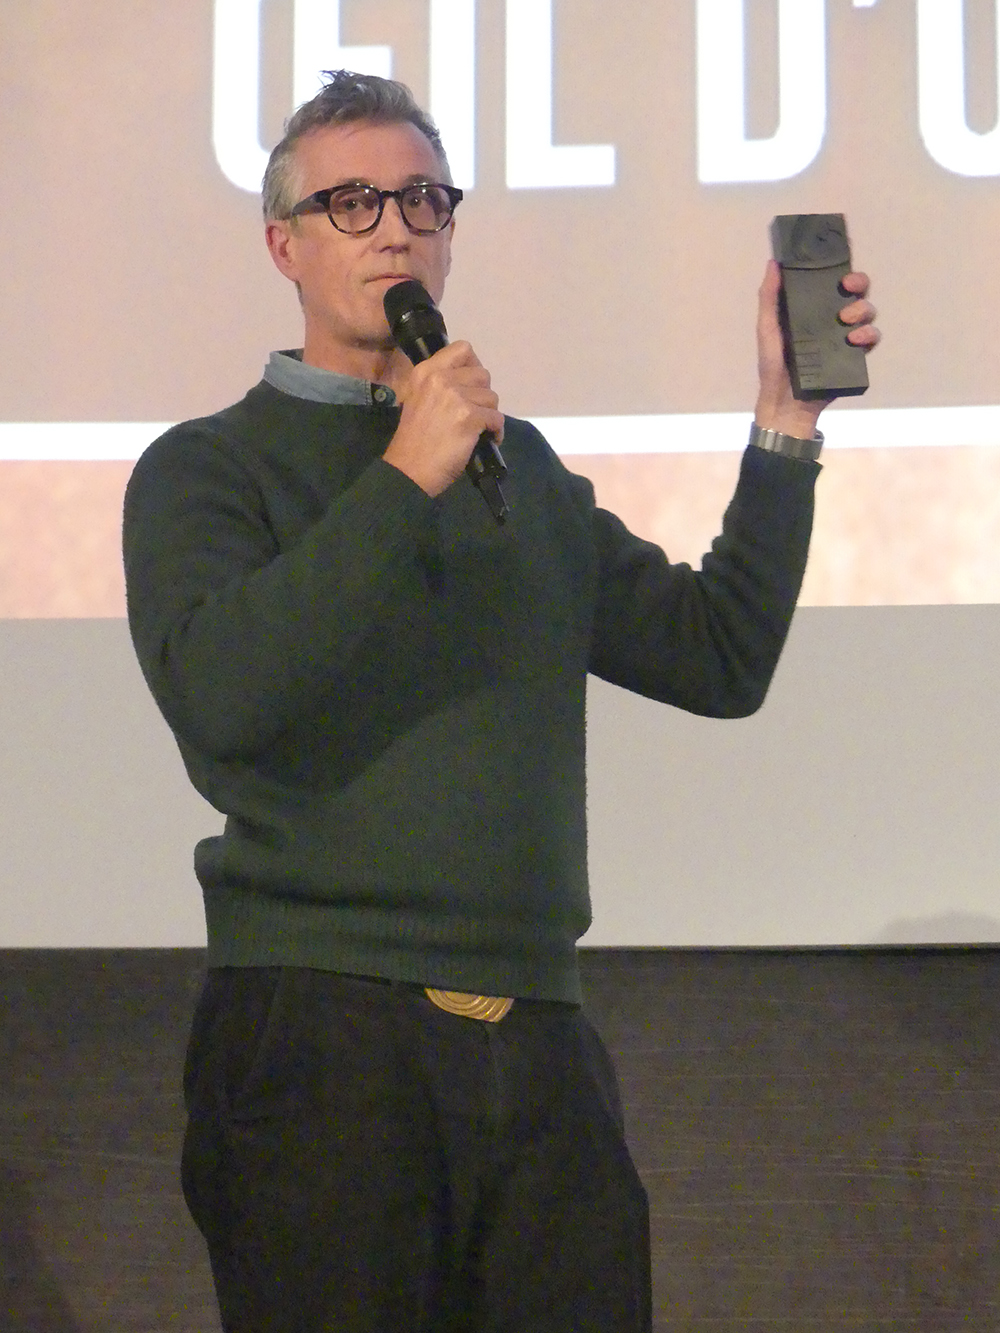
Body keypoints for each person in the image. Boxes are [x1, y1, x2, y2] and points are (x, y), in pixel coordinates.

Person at [122, 70, 878, 1333]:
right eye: (352, 203)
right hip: (317, 1028)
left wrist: (785, 418)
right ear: (283, 246)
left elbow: (718, 656)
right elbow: (223, 694)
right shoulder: (206, 468)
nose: (396, 229)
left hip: (538, 1040)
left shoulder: (513, 462)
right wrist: (402, 477)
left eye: (423, 199)